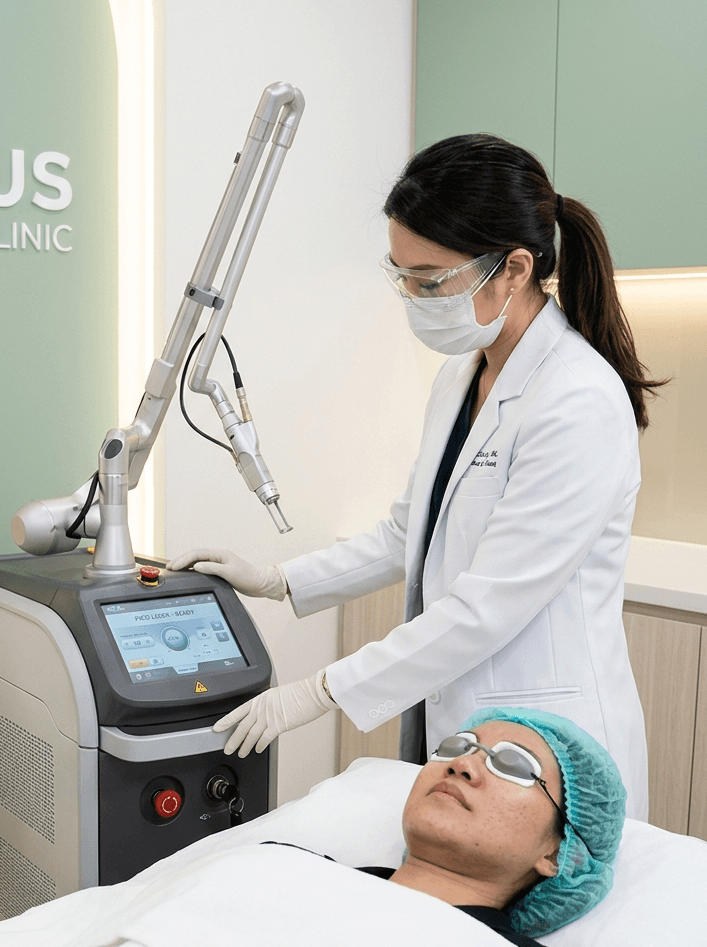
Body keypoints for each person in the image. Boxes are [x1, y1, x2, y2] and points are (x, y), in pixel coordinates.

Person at [169, 133, 664, 820]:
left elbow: (485, 608)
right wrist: (280, 580)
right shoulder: (462, 376)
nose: (411, 295)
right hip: (467, 727)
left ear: (514, 269)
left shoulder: (577, 399)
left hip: (549, 747)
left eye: (430, 280)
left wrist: (317, 692)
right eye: (401, 274)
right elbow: (409, 532)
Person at [292, 706, 627, 945]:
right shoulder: (292, 867)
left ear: (556, 855)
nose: (462, 763)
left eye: (512, 763)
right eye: (457, 746)